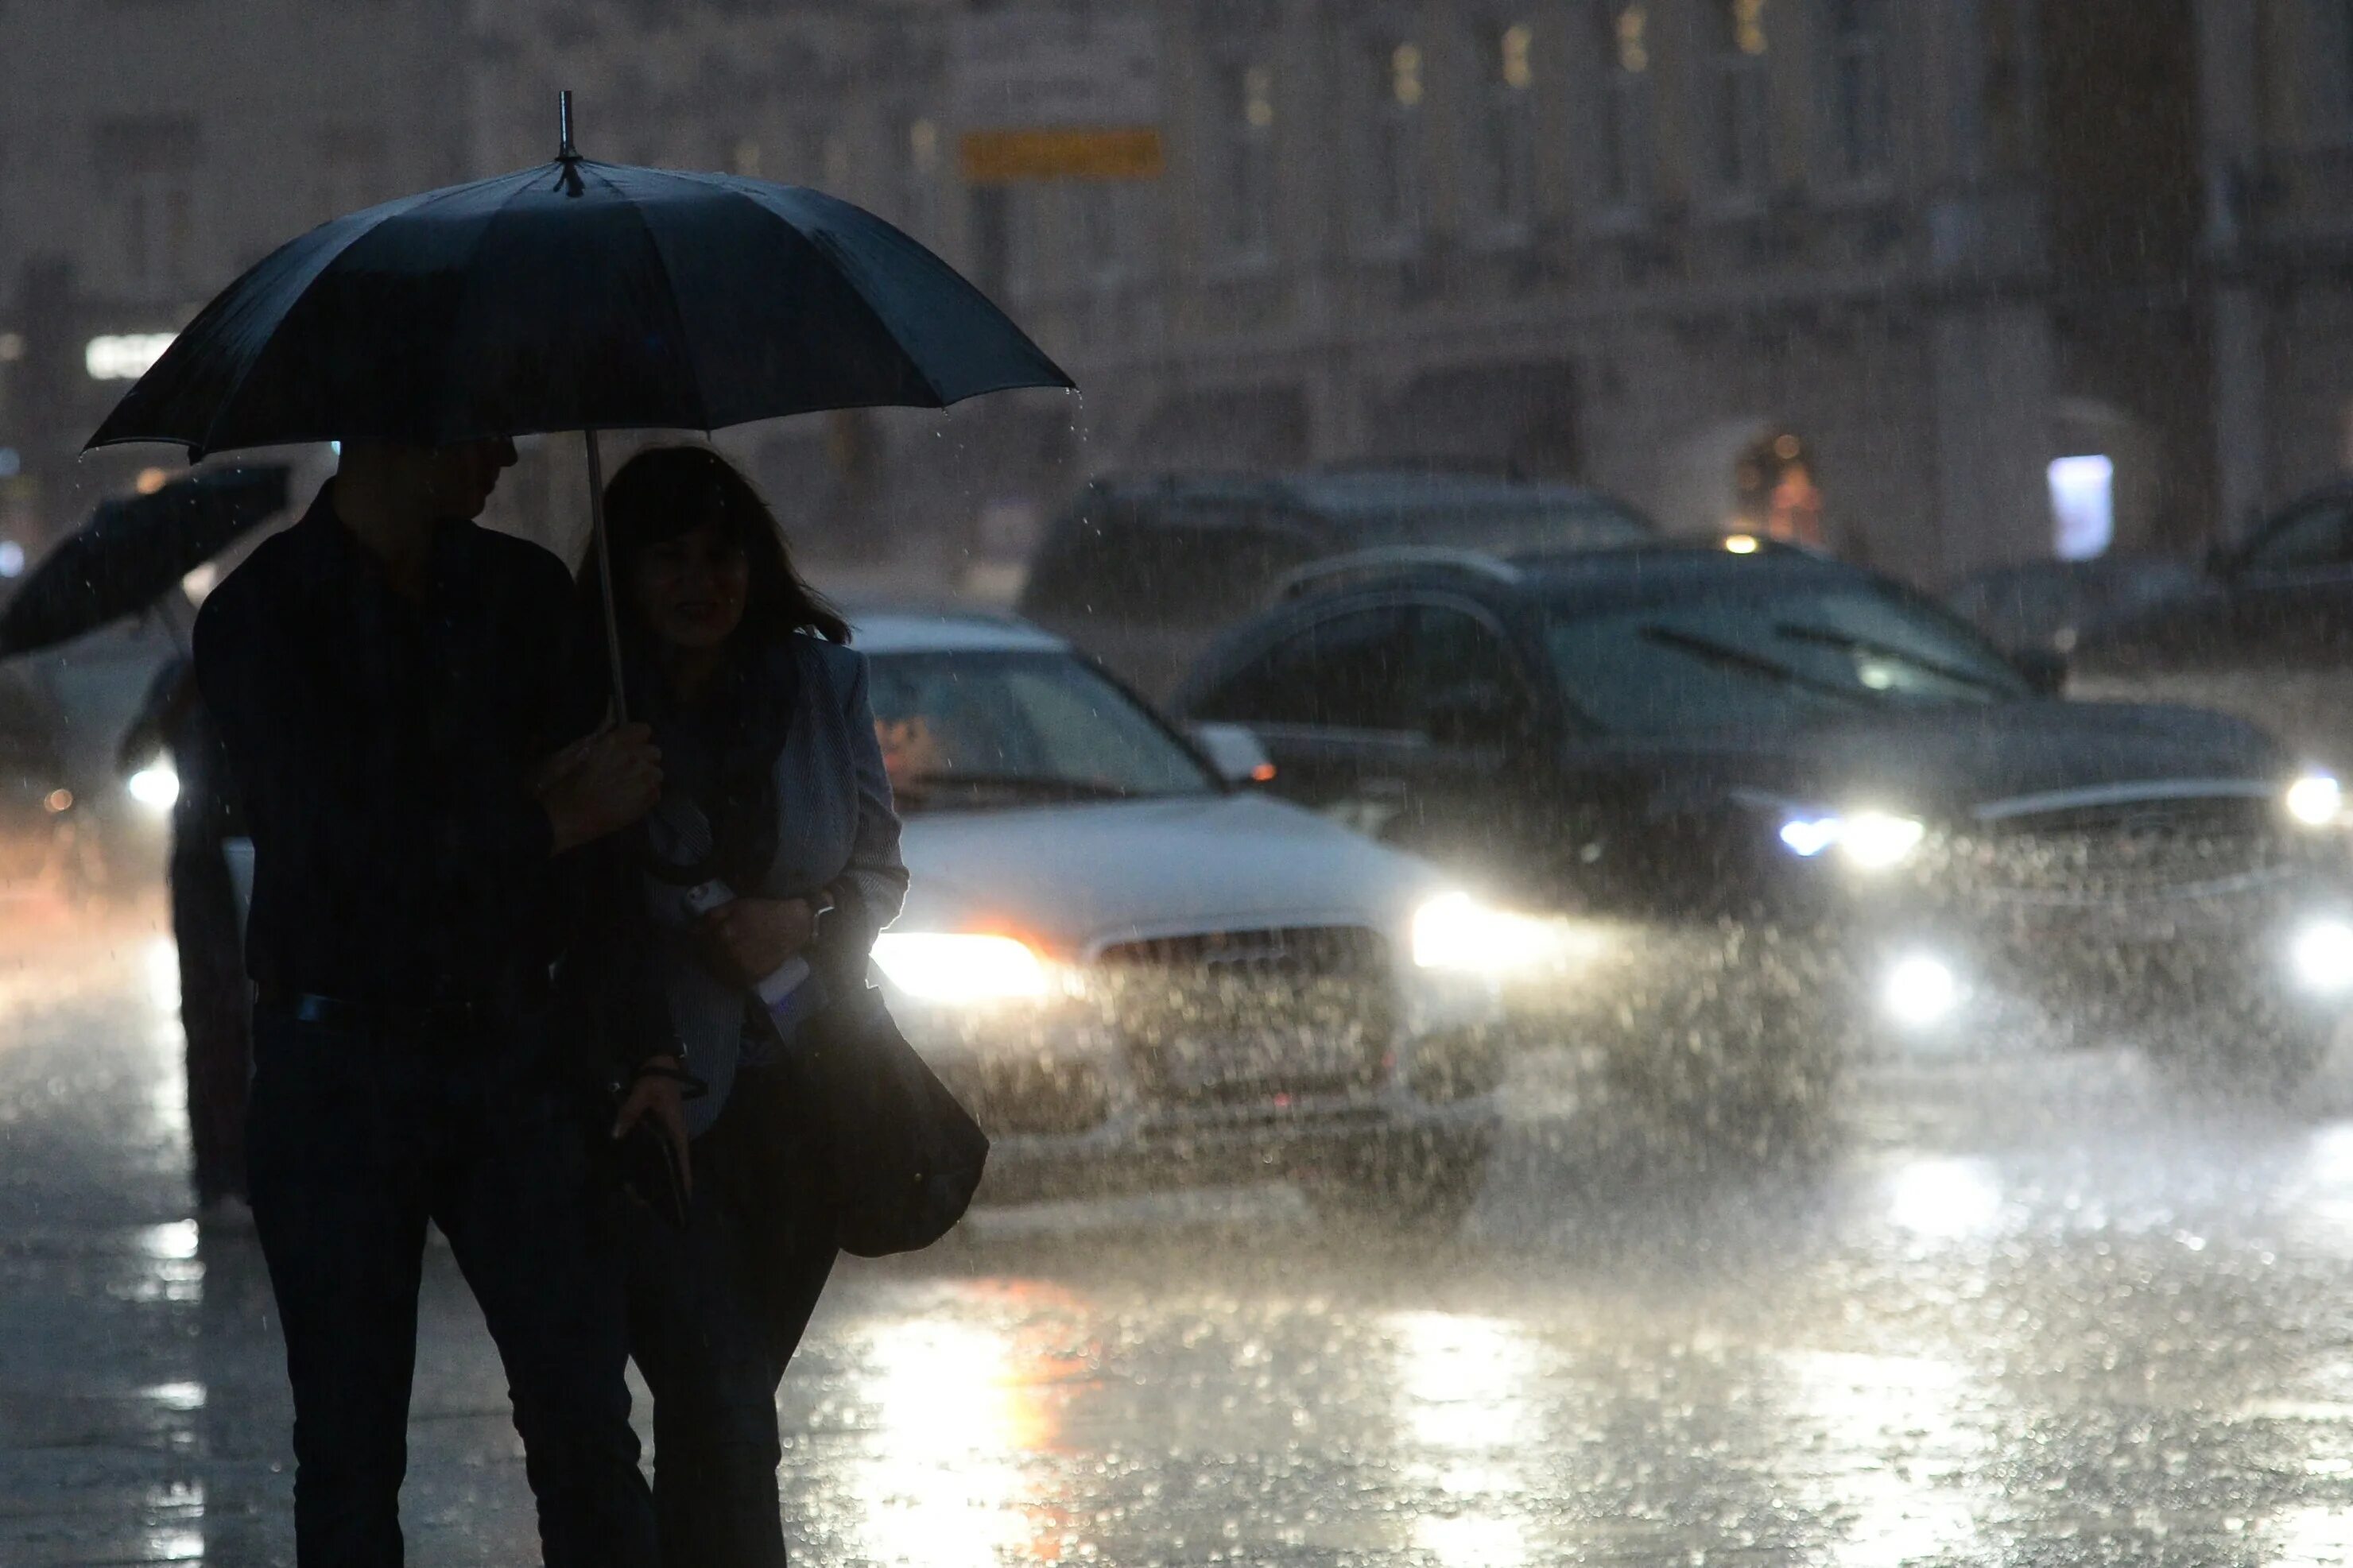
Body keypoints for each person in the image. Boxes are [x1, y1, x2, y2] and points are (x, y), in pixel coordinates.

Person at [192, 436, 684, 1568]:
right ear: (394, 422)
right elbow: (337, 852)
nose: (505, 451)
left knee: (586, 1428)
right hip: (335, 1064)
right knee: (352, 1454)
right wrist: (540, 818)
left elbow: (602, 854)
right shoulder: (264, 613)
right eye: (479, 419)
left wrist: (648, 1047)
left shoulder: (518, 595)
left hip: (512, 1053)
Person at [580, 443, 906, 1568]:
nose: (698, 582)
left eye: (720, 555)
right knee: (723, 1407)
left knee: (724, 1412)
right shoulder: (589, 703)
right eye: (667, 558)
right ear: (624, 574)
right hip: (659, 1110)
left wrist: (803, 920)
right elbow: (565, 908)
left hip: (807, 1104)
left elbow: (878, 873)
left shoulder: (823, 683)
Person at [120, 652, 251, 1216]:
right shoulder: (180, 674)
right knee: (210, 1018)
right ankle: (221, 1172)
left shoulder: (281, 659)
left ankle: (262, 1164)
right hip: (203, 862)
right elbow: (133, 757)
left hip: (276, 858)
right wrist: (179, 703)